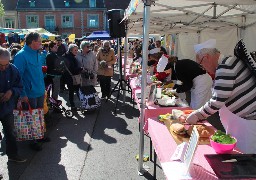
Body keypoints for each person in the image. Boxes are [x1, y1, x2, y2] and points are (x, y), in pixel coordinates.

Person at [186, 39, 256, 153]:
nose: (203, 68)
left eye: (201, 64)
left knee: (247, 158)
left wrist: (198, 115)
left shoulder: (225, 67)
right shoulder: (229, 61)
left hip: (248, 122)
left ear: (206, 57)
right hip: (245, 120)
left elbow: (217, 101)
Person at [13, 32, 50, 151]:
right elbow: (18, 78)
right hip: (29, 93)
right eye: (39, 41)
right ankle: (32, 140)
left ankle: (39, 136)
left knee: (39, 116)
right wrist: (23, 95)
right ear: (32, 42)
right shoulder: (21, 56)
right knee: (31, 117)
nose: (41, 43)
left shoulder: (37, 53)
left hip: (39, 90)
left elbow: (38, 73)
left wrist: (43, 89)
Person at [0, 47, 26, 162]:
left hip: (7, 107)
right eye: (0, 65)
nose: (3, 68)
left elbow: (19, 86)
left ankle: (13, 155)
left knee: (10, 132)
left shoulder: (13, 69)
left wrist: (11, 91)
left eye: (6, 65)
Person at [62, 44, 82, 110]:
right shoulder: (70, 57)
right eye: (75, 50)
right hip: (71, 77)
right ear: (71, 50)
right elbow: (72, 69)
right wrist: (81, 69)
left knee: (72, 91)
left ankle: (74, 105)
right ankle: (75, 105)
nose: (77, 51)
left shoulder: (69, 56)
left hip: (70, 77)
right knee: (74, 91)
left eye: (77, 50)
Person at [46, 41, 63, 110]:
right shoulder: (50, 55)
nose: (57, 48)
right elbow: (52, 66)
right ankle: (54, 105)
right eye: (55, 47)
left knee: (54, 91)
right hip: (54, 75)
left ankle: (52, 104)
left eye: (57, 47)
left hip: (54, 75)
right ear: (51, 48)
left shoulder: (53, 54)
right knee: (55, 91)